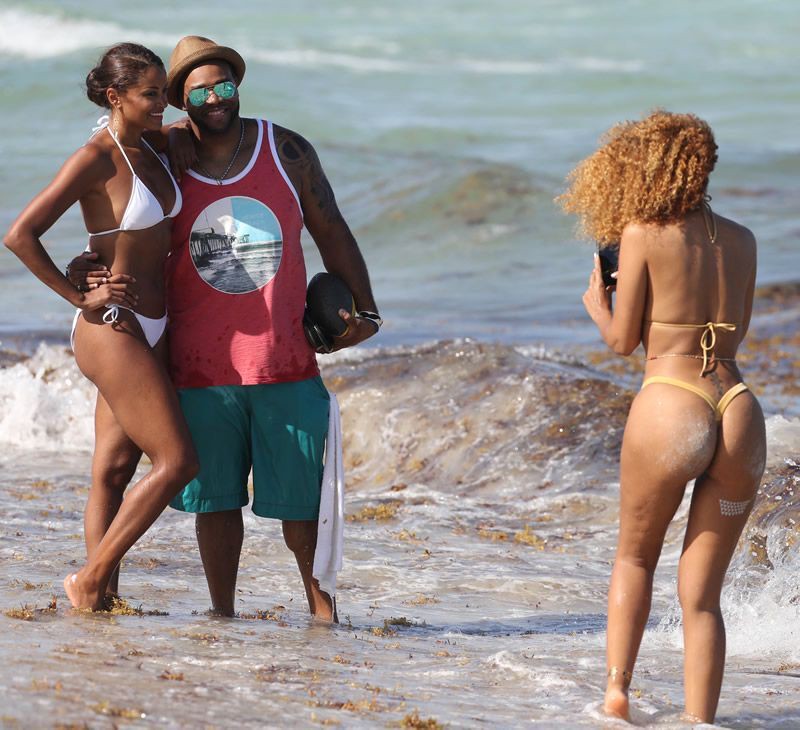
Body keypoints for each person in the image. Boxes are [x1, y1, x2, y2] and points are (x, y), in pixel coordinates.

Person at [71, 36, 380, 622]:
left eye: (224, 85)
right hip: (197, 365)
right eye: (199, 92)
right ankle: (222, 618)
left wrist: (366, 309)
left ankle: (324, 617)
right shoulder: (163, 154)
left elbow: (331, 227)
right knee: (215, 506)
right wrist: (83, 267)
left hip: (283, 360)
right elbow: (117, 214)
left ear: (239, 86)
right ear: (178, 101)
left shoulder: (286, 150)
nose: (215, 99)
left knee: (302, 510)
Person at [558, 111, 765, 723]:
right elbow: (736, 334)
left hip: (671, 399)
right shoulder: (744, 239)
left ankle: (617, 695)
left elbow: (625, 341)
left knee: (635, 558)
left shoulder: (643, 233)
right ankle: (700, 721)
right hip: (739, 408)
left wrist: (598, 305)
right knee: (703, 598)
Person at [3, 43, 199, 610]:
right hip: (112, 324)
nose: (161, 104)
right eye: (150, 94)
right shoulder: (95, 158)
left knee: (114, 471)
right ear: (115, 96)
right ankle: (90, 578)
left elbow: (202, 128)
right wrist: (78, 295)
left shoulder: (155, 145)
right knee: (178, 462)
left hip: (154, 323)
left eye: (164, 92)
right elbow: (20, 235)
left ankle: (100, 603)